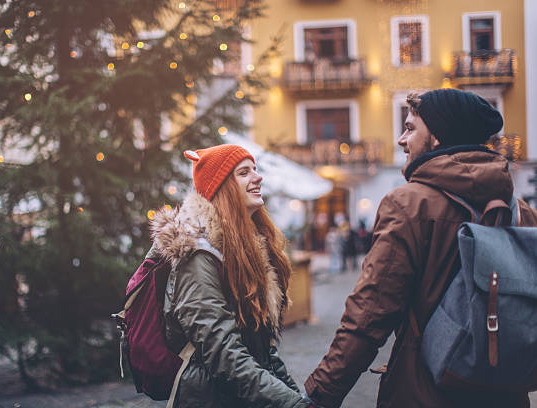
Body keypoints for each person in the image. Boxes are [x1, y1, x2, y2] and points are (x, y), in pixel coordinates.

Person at [304, 89, 537, 408]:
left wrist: (320, 394)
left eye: (411, 128)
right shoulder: (522, 211)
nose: (401, 140)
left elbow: (369, 315)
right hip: (506, 391)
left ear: (438, 137)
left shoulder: (408, 204)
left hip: (427, 391)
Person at [149, 144, 313, 408]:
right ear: (222, 186)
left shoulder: (246, 250)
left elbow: (263, 350)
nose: (257, 178)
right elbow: (223, 354)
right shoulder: (198, 256)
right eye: (244, 172)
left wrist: (296, 397)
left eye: (255, 170)